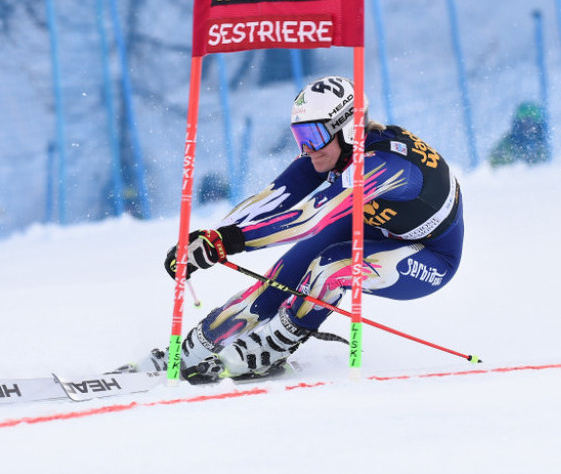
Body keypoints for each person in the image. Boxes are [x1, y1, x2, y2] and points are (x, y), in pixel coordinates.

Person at [125, 75, 464, 382]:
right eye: (300, 136)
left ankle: (274, 346)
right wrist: (213, 235)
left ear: (347, 128)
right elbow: (274, 197)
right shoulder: (332, 151)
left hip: (430, 257)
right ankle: (196, 349)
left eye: (314, 135)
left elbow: (309, 218)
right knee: (275, 281)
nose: (307, 149)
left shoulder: (385, 164)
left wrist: (229, 242)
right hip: (373, 228)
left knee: (329, 268)